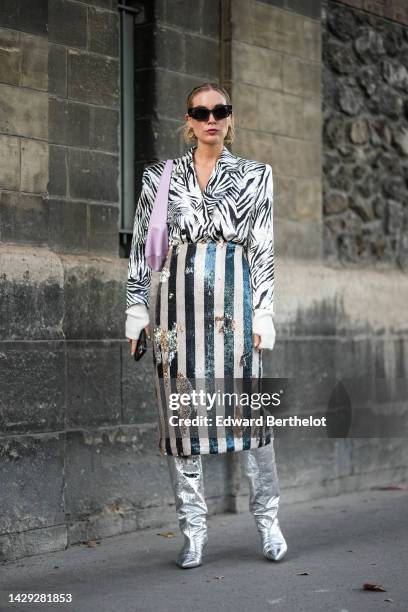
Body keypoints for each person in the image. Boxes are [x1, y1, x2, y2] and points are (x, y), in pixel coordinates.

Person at [125, 82, 287, 568]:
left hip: (236, 312)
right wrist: (136, 314)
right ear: (189, 120)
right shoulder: (160, 177)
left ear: (230, 118)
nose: (211, 118)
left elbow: (262, 248)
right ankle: (193, 531)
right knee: (182, 423)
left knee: (252, 420)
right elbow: (141, 251)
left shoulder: (257, 175)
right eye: (201, 111)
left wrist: (263, 313)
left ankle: (269, 522)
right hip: (176, 314)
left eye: (220, 110)